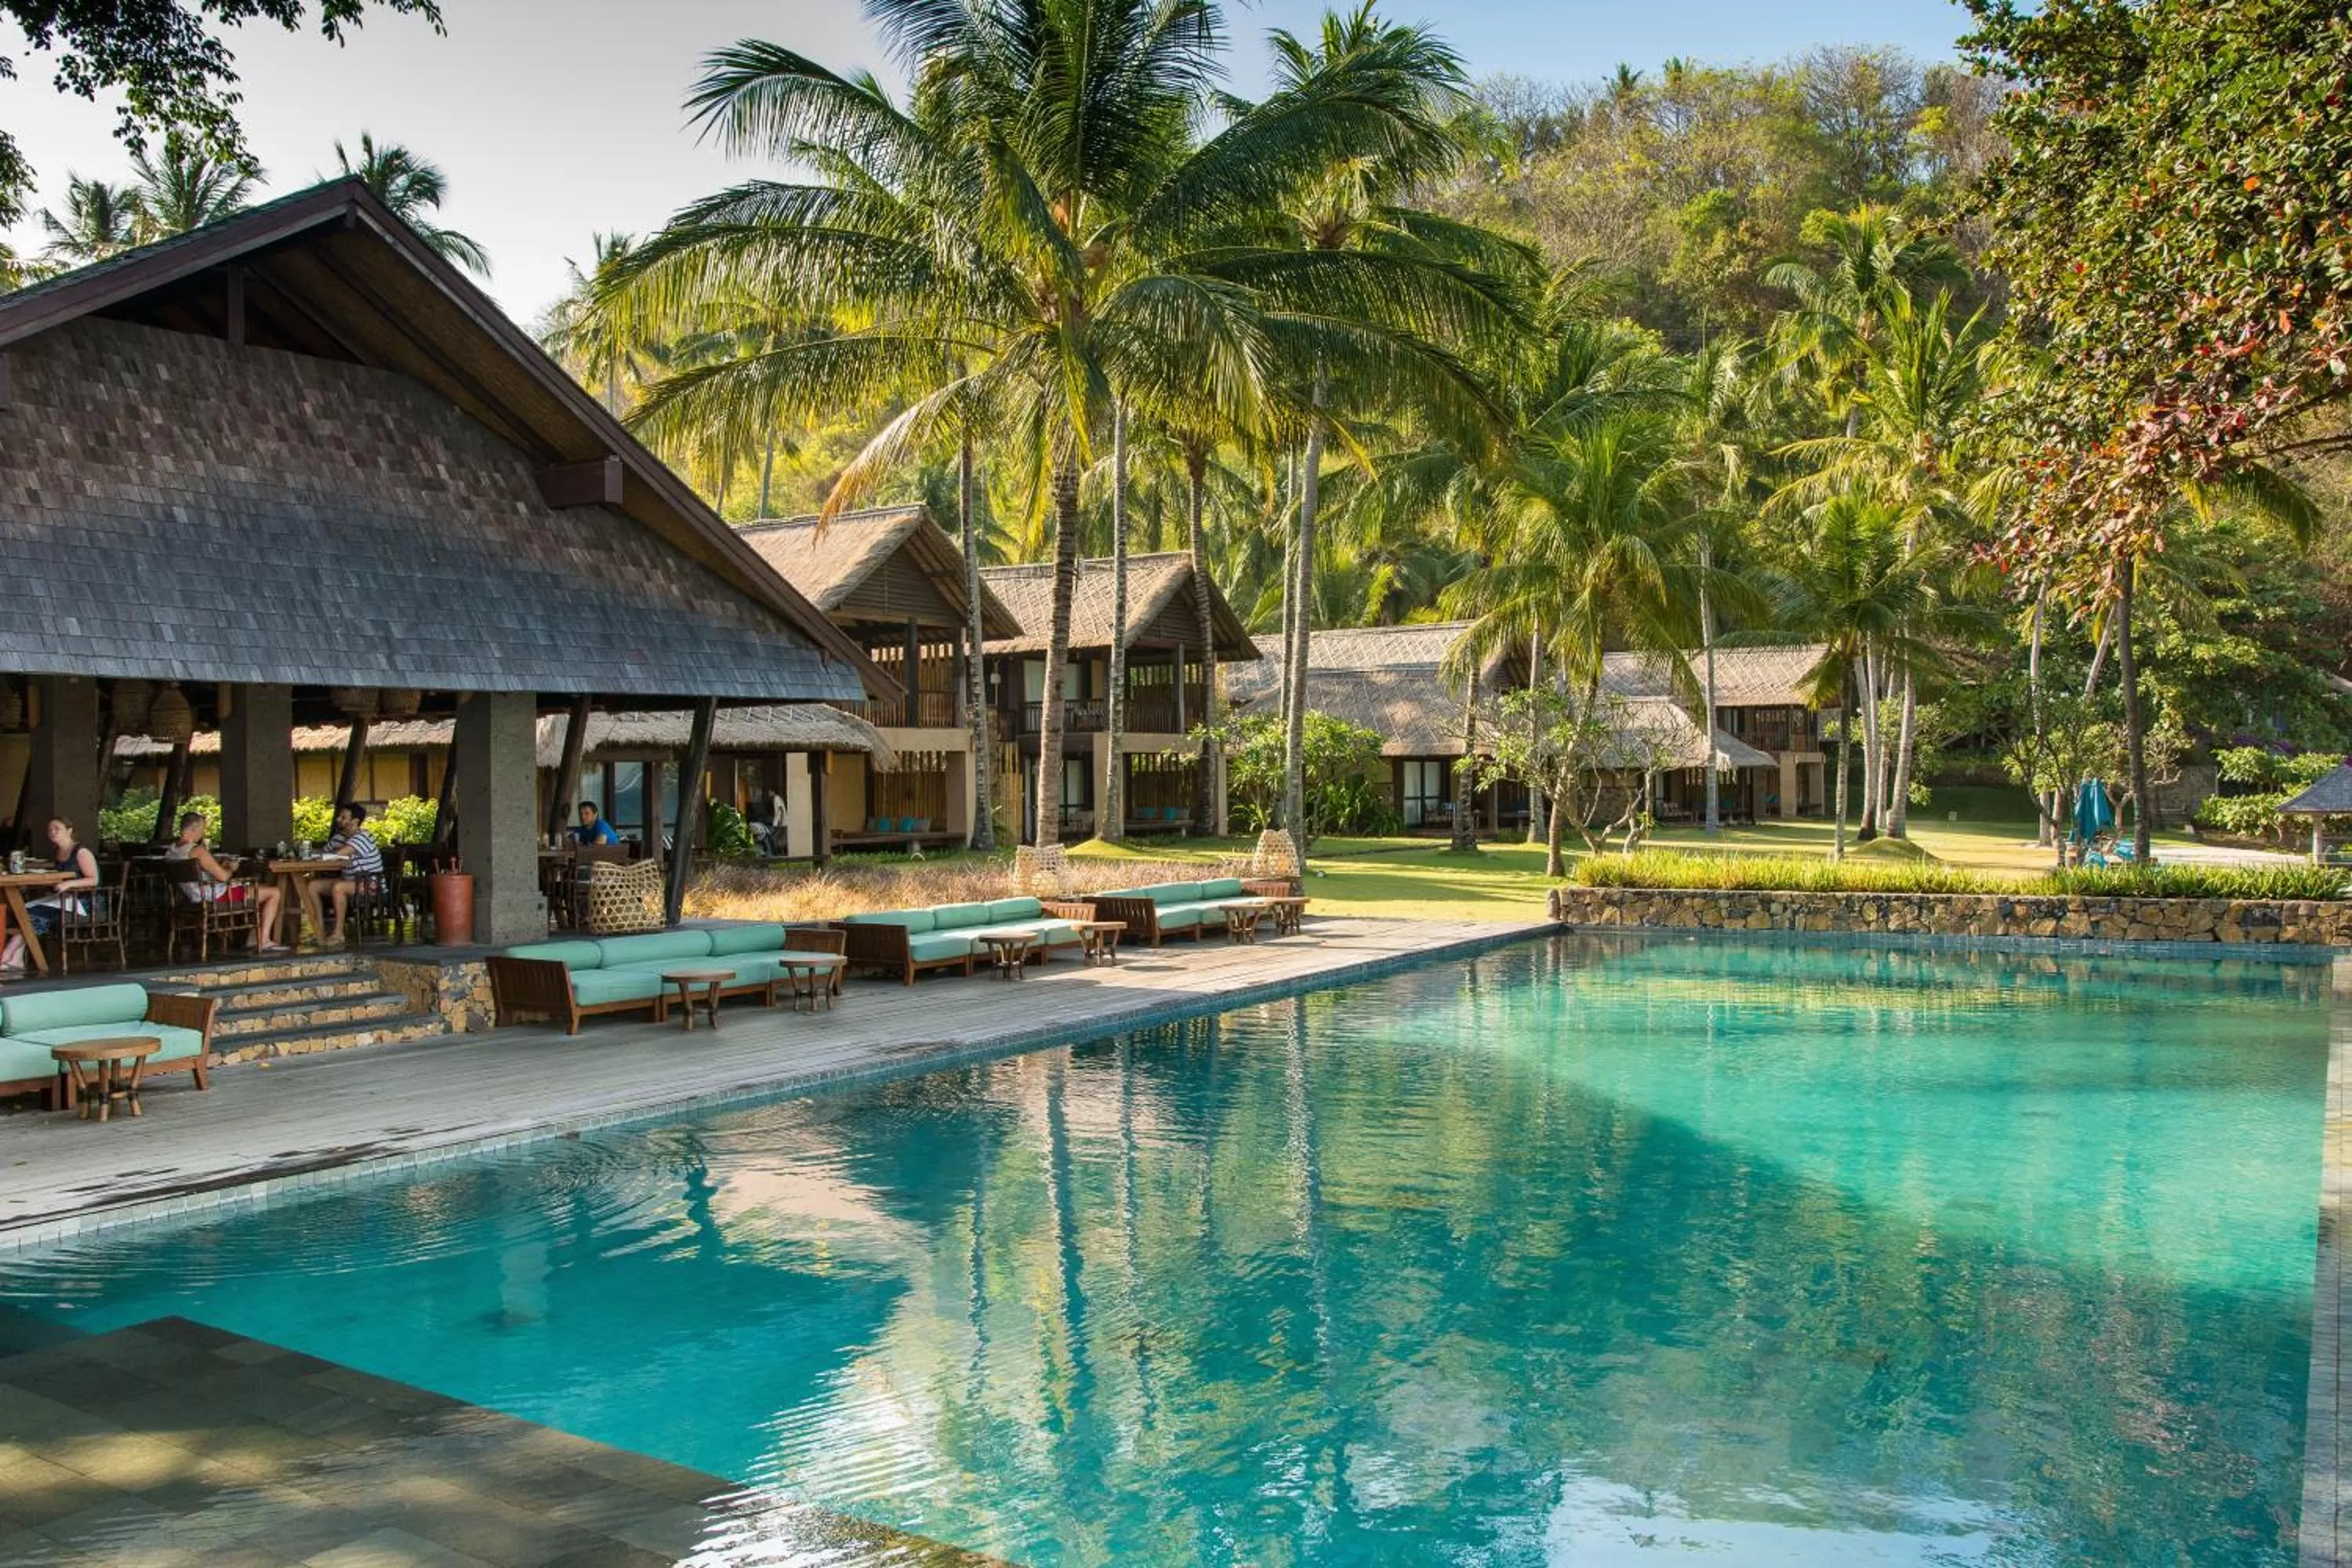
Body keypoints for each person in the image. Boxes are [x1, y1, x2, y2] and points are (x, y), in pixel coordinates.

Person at [164, 811, 286, 953]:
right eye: (202, 829)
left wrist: (220, 866)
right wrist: (231, 868)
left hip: (192, 897)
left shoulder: (171, 851)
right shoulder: (197, 851)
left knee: (261, 888)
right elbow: (224, 877)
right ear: (193, 828)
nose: (203, 832)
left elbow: (207, 871)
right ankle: (264, 940)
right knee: (274, 892)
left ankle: (253, 939)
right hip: (215, 897)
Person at [2, 817, 101, 972]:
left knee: (33, 912)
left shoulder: (81, 852)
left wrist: (69, 884)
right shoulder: (59, 852)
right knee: (24, 908)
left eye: (57, 828)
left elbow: (94, 880)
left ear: (69, 831)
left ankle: (7, 954)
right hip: (65, 898)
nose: (52, 832)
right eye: (50, 830)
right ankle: (16, 958)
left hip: (85, 901)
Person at [306, 802, 384, 947]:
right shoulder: (339, 838)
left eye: (343, 817)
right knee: (313, 886)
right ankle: (319, 931)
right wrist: (307, 853)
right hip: (349, 881)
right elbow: (324, 853)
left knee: (339, 887)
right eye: (339, 816)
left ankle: (338, 933)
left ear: (355, 821)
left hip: (370, 885)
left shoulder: (363, 837)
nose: (339, 820)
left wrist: (328, 854)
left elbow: (338, 855)